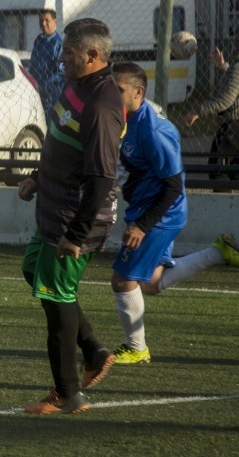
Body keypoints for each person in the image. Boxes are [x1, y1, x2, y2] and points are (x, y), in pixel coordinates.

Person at [17, 18, 125, 415]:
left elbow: (100, 178)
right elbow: (59, 141)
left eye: (68, 52)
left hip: (72, 218)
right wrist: (36, 177)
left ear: (93, 55)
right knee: (34, 271)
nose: (61, 57)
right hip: (53, 206)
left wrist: (76, 234)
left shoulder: (102, 105)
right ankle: (94, 350)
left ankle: (68, 393)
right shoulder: (76, 86)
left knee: (56, 298)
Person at [110, 62, 239, 365]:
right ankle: (217, 253)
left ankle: (136, 347)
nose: (111, 96)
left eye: (118, 91)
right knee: (151, 282)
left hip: (160, 214)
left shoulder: (152, 130)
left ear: (138, 92)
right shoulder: (127, 117)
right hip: (146, 207)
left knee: (123, 279)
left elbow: (172, 184)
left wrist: (143, 225)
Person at [183, 47, 239, 186]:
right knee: (233, 171)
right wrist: (224, 66)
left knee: (218, 171)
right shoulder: (235, 69)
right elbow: (234, 85)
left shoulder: (237, 68)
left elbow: (225, 100)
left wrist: (197, 111)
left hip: (233, 128)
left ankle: (225, 206)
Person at [30, 9, 65, 117]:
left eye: (46, 20)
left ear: (55, 22)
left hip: (53, 92)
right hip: (37, 91)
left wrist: (48, 85)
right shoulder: (39, 40)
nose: (43, 23)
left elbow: (62, 71)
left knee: (51, 121)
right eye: (41, 20)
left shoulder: (58, 43)